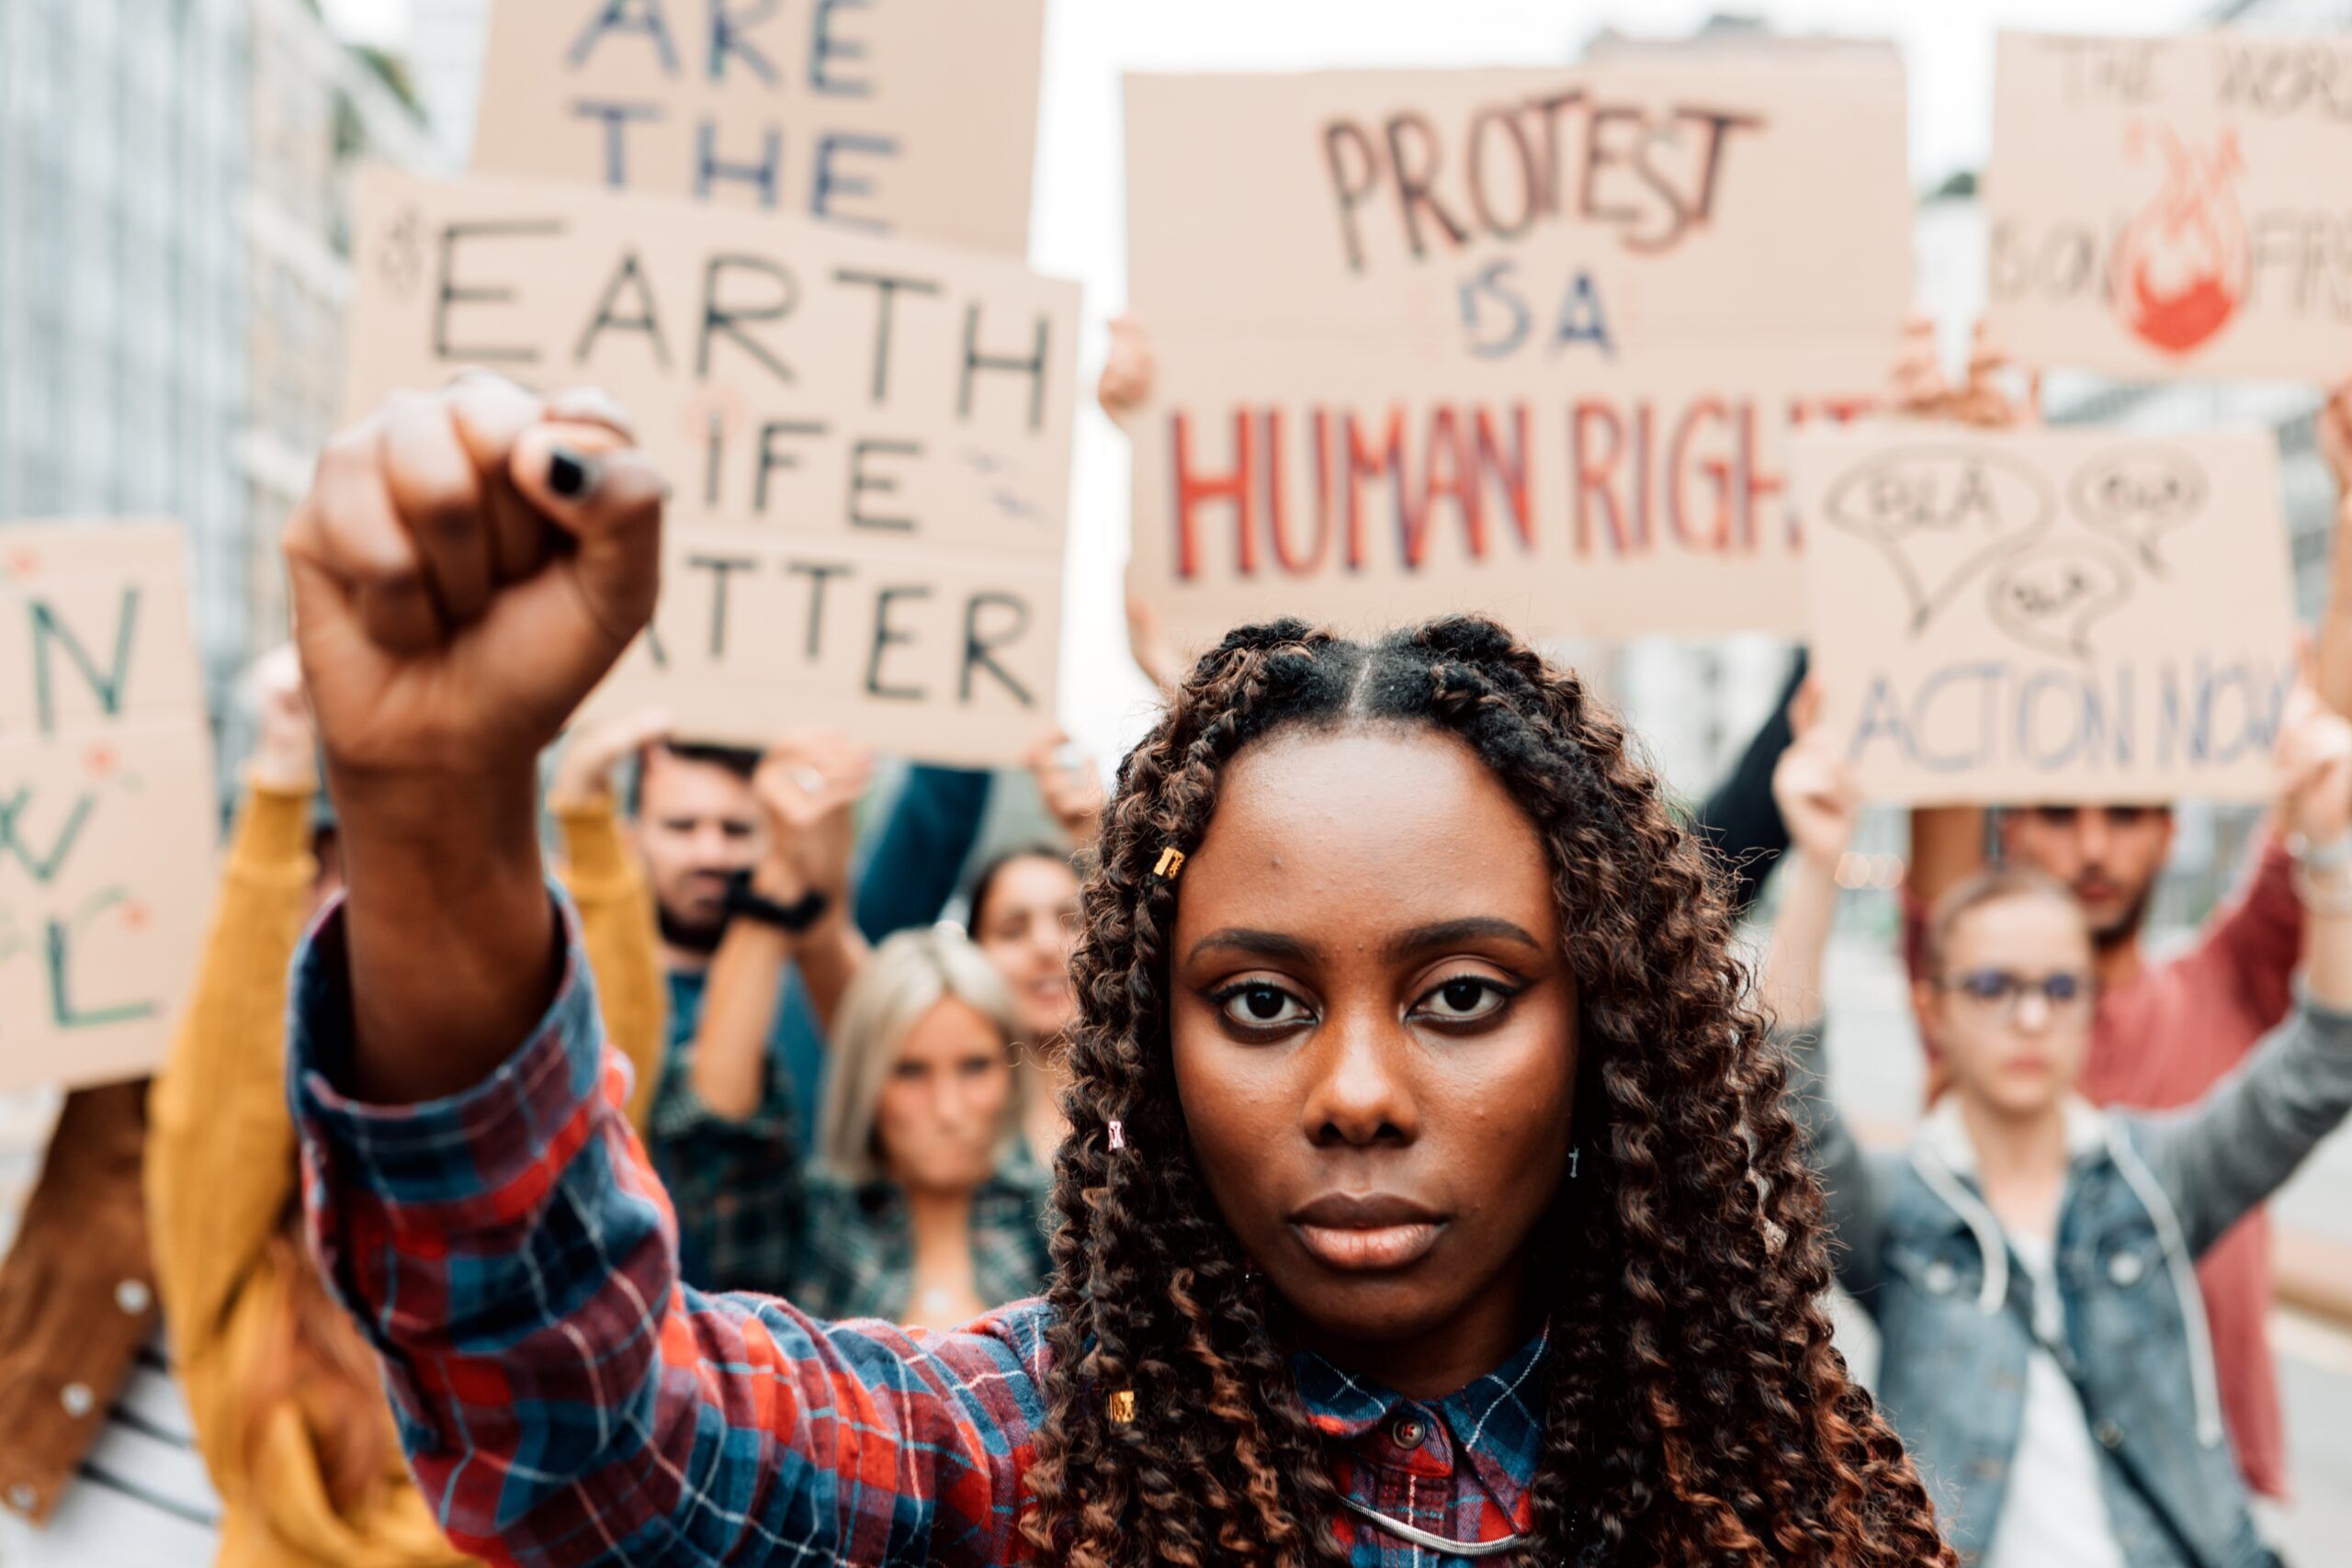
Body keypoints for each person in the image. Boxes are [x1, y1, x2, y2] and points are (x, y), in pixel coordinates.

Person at [275, 375, 1956, 1566]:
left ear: (1607, 1028)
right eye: (1262, 1003)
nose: (1357, 1092)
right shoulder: (1022, 1462)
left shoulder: (1791, 1499)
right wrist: (431, 815)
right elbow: (592, 1429)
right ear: (1147, 1046)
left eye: (1459, 996)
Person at [1762, 679, 2352, 1568]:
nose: (2030, 1017)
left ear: (2087, 1008)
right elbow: (1780, 1103)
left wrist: (2332, 847)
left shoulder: (2158, 1181)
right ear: (1934, 1005)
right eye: (1993, 986)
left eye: (2058, 988)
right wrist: (1816, 859)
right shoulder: (1901, 1213)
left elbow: (2321, 1062)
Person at [1893, 368, 2352, 1500]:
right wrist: (1982, 485)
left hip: (2206, 1497)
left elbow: (2329, 766)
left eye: (2126, 813)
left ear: (2169, 829)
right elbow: (1935, 732)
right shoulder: (1973, 973)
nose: (2093, 846)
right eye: (2056, 811)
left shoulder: (2234, 979)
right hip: (2001, 1493)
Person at [141, 643, 666, 1566]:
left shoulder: (517, 1277)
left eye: (389, 895)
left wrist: (585, 813)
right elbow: (220, 1094)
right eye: (332, 881)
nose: (360, 921)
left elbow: (599, 1077)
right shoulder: (246, 1284)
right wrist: (277, 781)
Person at [577, 716, 992, 1292]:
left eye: (735, 828)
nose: (710, 851)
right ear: (631, 837)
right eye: (682, 825)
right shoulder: (583, 994)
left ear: (772, 833)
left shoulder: (828, 950)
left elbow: (938, 814)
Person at [794, 929, 1051, 1328]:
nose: (948, 1110)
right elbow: (716, 1131)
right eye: (910, 1071)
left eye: (975, 1066)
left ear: (1011, 1076)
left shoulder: (1059, 1221)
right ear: (865, 1082)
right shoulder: (811, 1225)